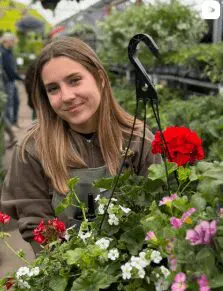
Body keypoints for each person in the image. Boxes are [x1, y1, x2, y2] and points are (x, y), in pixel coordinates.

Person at [1, 37, 161, 256]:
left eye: (75, 80)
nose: (67, 96)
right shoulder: (33, 149)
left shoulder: (137, 139)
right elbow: (36, 224)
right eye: (53, 89)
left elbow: (157, 213)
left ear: (100, 79)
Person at [1, 32, 23, 128]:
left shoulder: (9, 51)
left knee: (16, 101)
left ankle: (14, 122)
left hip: (11, 81)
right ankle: (9, 126)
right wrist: (20, 78)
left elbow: (12, 68)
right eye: (12, 40)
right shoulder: (3, 53)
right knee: (9, 104)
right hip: (7, 82)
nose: (14, 42)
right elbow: (9, 70)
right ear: (6, 41)